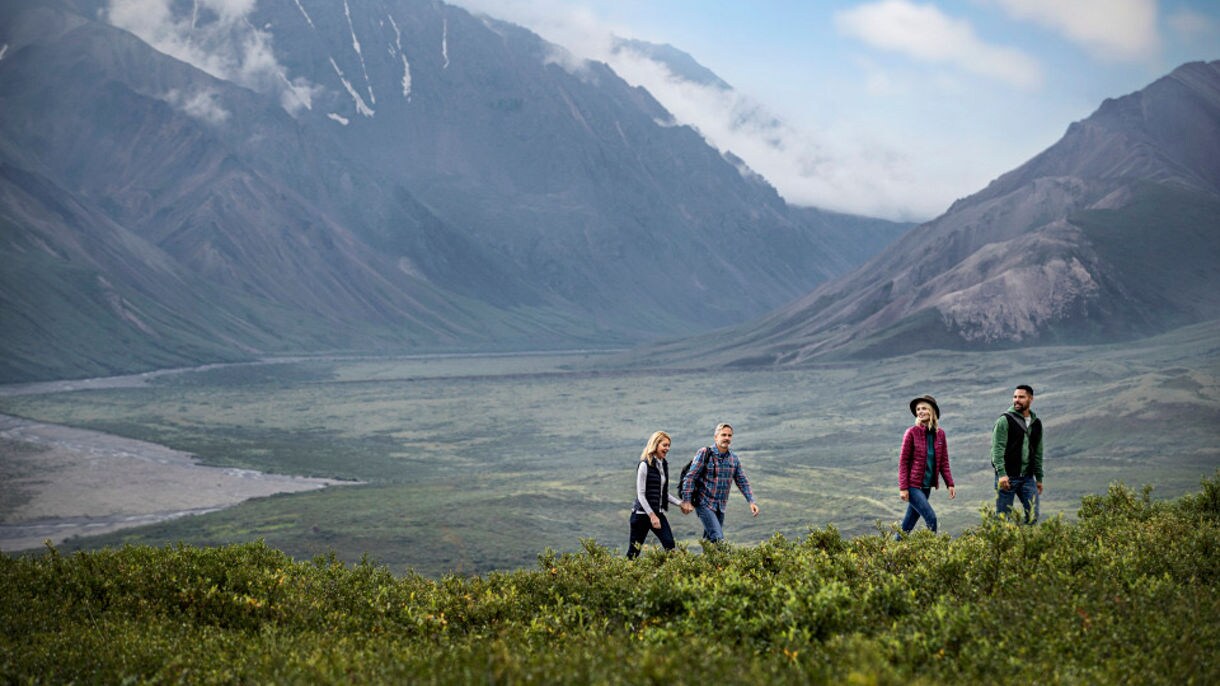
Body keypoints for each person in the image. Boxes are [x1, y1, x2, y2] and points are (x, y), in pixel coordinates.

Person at [679, 422, 759, 542]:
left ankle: (705, 560)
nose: (727, 438)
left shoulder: (733, 458)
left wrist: (751, 501)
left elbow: (742, 480)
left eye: (729, 436)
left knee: (709, 540)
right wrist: (687, 500)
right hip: (704, 503)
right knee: (718, 538)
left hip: (720, 506)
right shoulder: (704, 453)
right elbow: (690, 477)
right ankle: (725, 561)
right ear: (716, 437)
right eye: (723, 435)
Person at [896, 394, 956, 537]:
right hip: (913, 486)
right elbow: (903, 462)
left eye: (924, 408)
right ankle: (931, 553)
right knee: (932, 519)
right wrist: (903, 488)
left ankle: (891, 556)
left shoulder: (940, 434)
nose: (920, 411)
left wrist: (950, 483)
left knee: (907, 525)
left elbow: (944, 462)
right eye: (918, 409)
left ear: (932, 411)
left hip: (926, 487)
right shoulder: (911, 433)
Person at [626, 431, 685, 558]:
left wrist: (680, 503)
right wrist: (652, 516)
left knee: (670, 544)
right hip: (641, 515)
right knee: (634, 552)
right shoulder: (644, 465)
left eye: (669, 445)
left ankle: (670, 574)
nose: (667, 448)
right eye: (665, 445)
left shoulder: (663, 464)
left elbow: (662, 493)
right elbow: (641, 494)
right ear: (656, 445)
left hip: (658, 513)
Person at [991, 384, 1044, 523]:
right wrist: (1002, 474)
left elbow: (1038, 452)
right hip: (1007, 477)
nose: (1017, 400)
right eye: (1015, 397)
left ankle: (1024, 544)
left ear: (1030, 399)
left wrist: (1039, 478)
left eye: (1021, 397)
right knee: (1002, 519)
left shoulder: (1036, 423)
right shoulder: (1004, 420)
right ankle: (1001, 545)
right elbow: (997, 449)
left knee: (1033, 516)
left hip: (1027, 478)